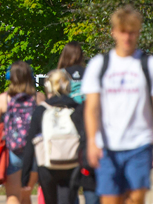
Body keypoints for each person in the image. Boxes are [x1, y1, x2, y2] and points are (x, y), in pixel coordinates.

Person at [82, 5, 153, 204]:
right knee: (110, 201)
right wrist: (92, 142)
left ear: (138, 33)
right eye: (123, 32)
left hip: (140, 144)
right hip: (107, 146)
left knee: (136, 199)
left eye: (132, 32)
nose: (127, 38)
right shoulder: (99, 64)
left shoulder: (149, 65)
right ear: (114, 32)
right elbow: (91, 108)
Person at [26, 68, 88, 205]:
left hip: (48, 166)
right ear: (68, 85)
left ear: (48, 86)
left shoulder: (41, 110)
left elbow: (30, 143)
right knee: (69, 201)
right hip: (72, 164)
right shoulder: (77, 108)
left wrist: (25, 175)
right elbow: (85, 138)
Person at [0, 61, 40, 205]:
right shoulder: (38, 98)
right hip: (34, 153)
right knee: (26, 197)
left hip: (12, 153)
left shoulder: (3, 99)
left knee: (12, 196)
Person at [54, 42, 98, 203]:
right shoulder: (89, 73)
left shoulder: (60, 74)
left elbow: (55, 100)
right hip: (87, 120)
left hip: (67, 123)